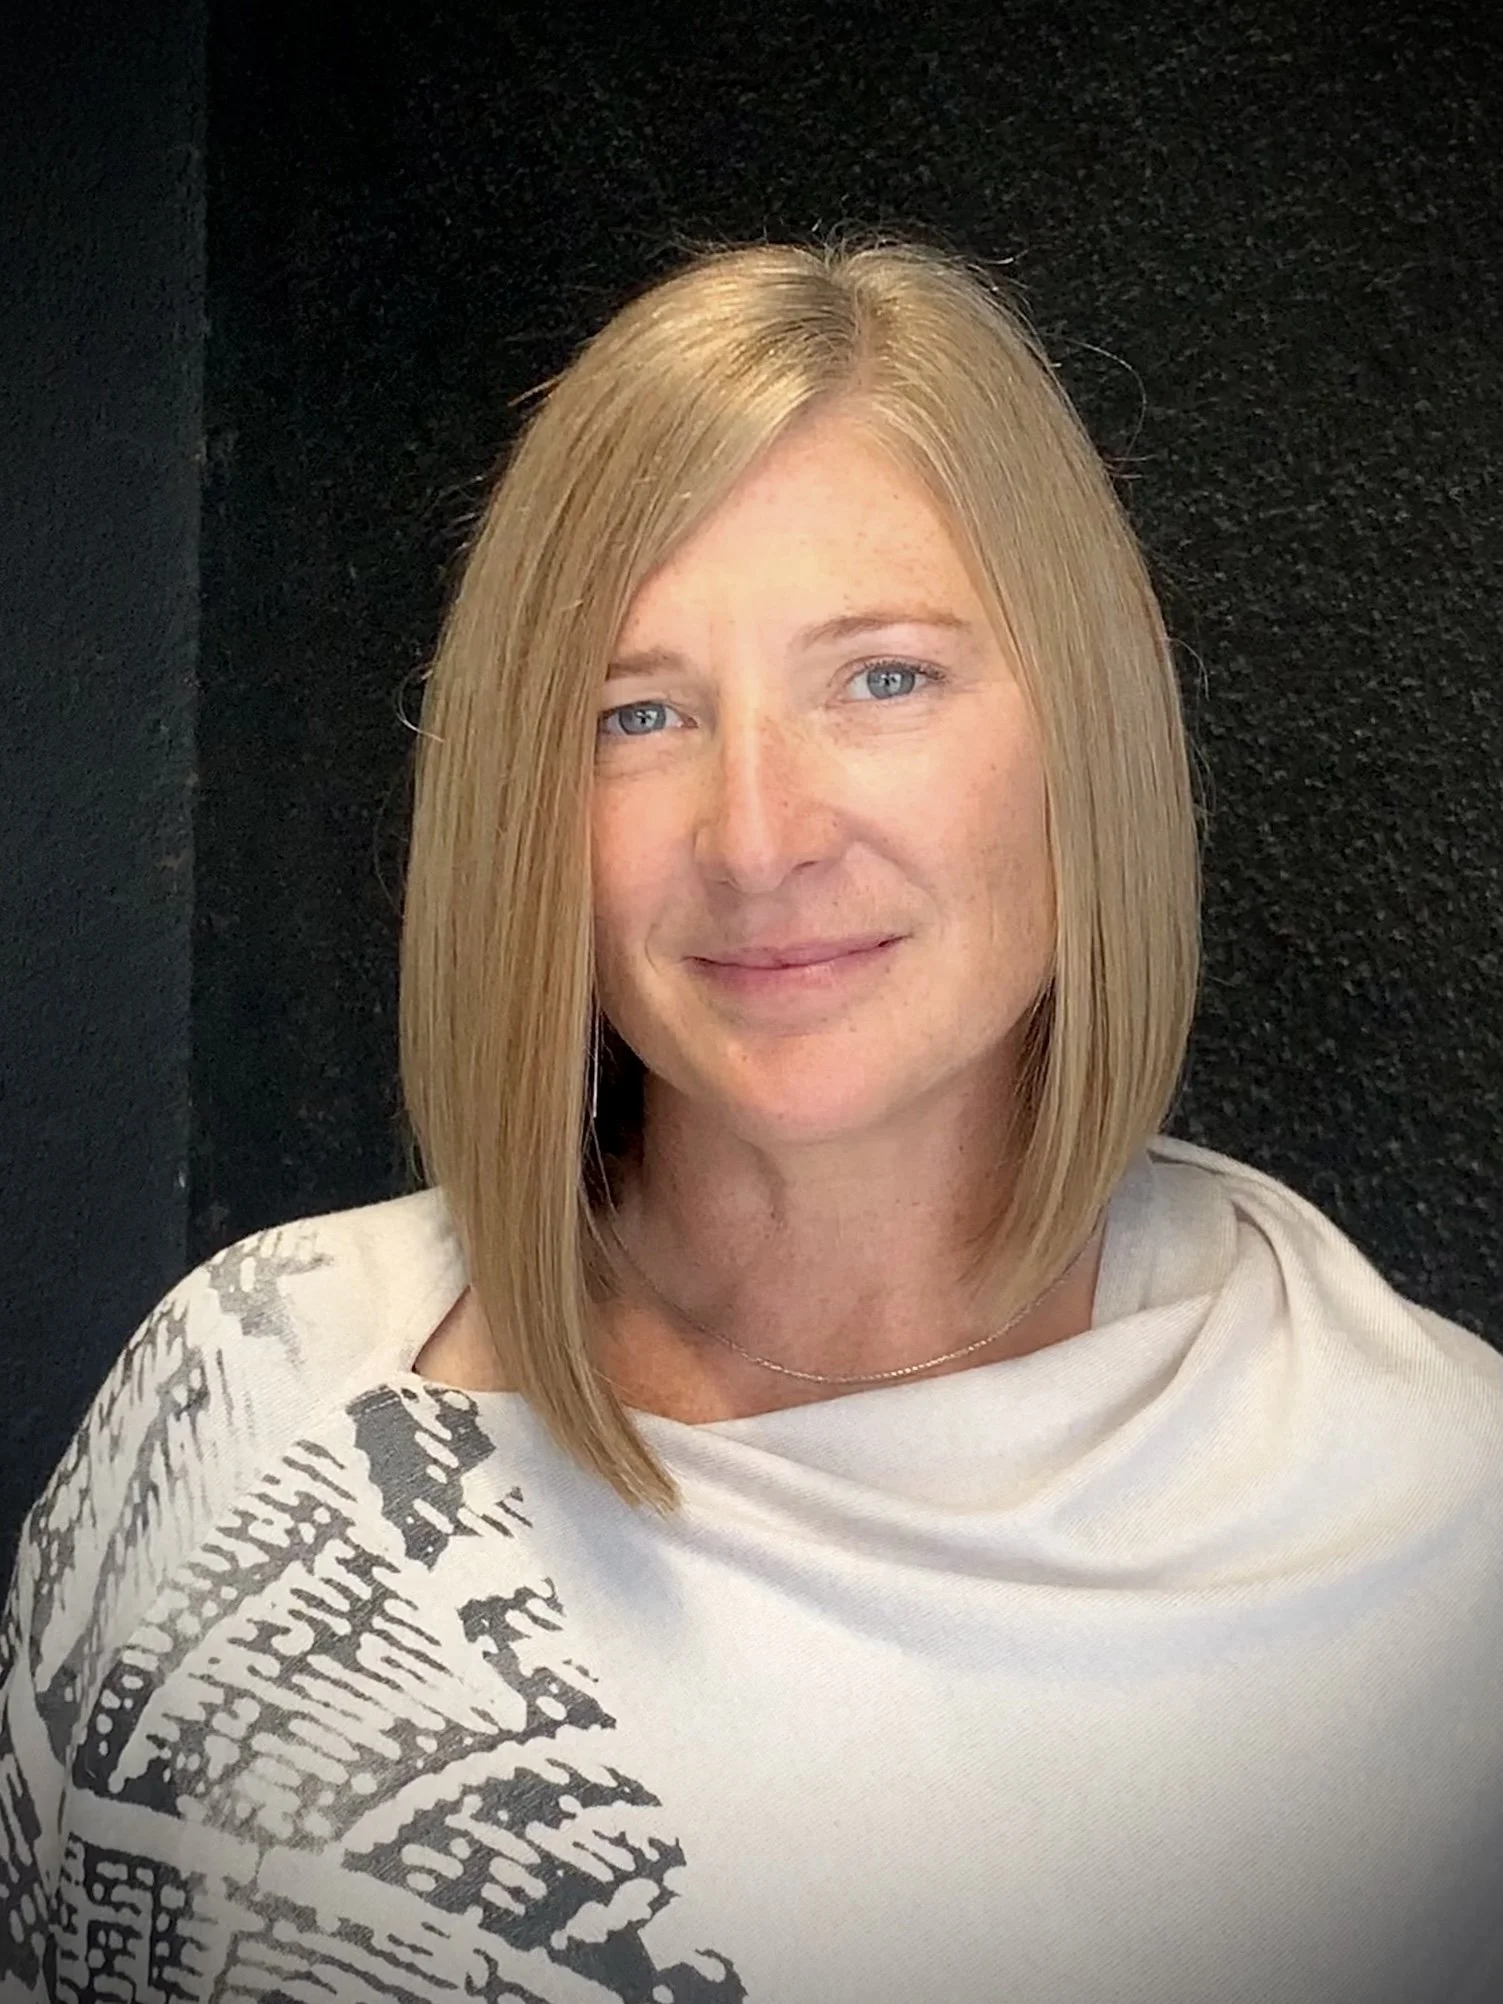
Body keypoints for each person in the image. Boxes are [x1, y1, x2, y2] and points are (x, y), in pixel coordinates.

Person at [2, 234, 1499, 2004]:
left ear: (1090, 717)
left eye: (884, 678)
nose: (760, 834)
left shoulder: (1448, 1534)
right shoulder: (244, 1396)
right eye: (639, 712)